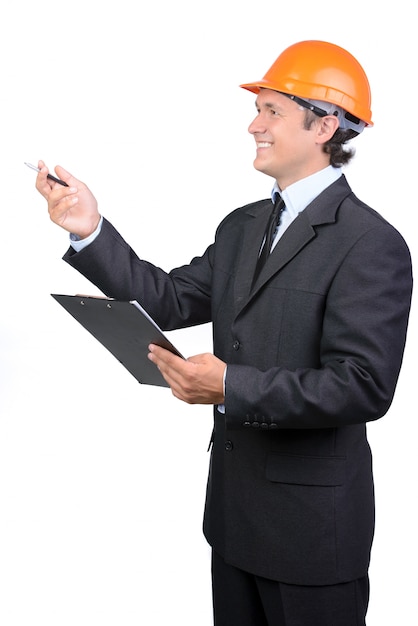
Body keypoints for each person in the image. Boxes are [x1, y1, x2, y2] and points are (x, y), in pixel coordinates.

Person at [35, 40, 412, 626]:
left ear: (325, 125)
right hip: (235, 521)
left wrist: (232, 385)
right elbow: (171, 297)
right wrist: (88, 229)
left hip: (311, 535)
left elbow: (362, 386)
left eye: (272, 111)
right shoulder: (242, 227)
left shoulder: (370, 245)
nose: (252, 125)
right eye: (256, 110)